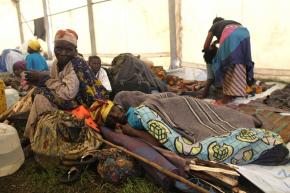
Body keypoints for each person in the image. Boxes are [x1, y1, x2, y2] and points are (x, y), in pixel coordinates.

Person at [92, 91, 288, 166]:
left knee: (208, 111)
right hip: (174, 122)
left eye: (114, 111)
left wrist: (153, 103)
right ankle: (254, 136)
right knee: (209, 135)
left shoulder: (137, 110)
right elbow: (163, 139)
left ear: (119, 107)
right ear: (112, 124)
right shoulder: (132, 123)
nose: (116, 115)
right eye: (111, 119)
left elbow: (162, 100)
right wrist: (132, 131)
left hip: (175, 105)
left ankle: (244, 120)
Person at [23, 29, 109, 142]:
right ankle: (34, 135)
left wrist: (44, 79)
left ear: (75, 51)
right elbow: (54, 84)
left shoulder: (76, 65)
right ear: (54, 48)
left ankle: (36, 136)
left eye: (68, 49)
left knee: (41, 98)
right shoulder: (55, 63)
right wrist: (40, 81)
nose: (63, 52)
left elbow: (69, 93)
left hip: (83, 105)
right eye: (59, 48)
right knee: (39, 94)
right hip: (67, 101)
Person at [202, 17, 255, 104]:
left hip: (230, 34)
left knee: (226, 65)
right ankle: (236, 92)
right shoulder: (229, 23)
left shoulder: (214, 26)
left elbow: (205, 46)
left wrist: (208, 50)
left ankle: (225, 98)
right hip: (245, 33)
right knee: (240, 63)